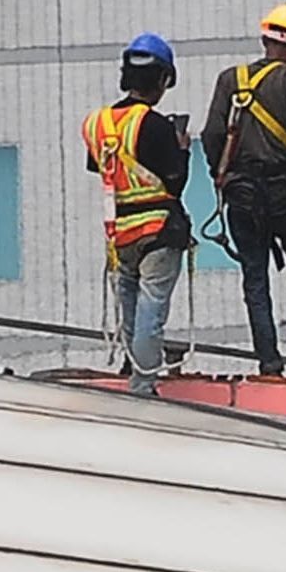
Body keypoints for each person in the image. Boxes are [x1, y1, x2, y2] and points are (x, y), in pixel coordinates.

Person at [202, 4, 286, 378]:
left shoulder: (230, 80)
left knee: (255, 275)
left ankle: (269, 362)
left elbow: (211, 134)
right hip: (283, 191)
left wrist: (219, 174)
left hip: (241, 192)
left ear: (266, 39)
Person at [82, 33, 190, 397]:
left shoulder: (96, 124)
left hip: (119, 233)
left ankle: (133, 368)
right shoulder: (155, 125)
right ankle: (143, 385)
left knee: (129, 307)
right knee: (151, 310)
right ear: (162, 79)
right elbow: (175, 183)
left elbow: (101, 169)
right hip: (157, 229)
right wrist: (182, 150)